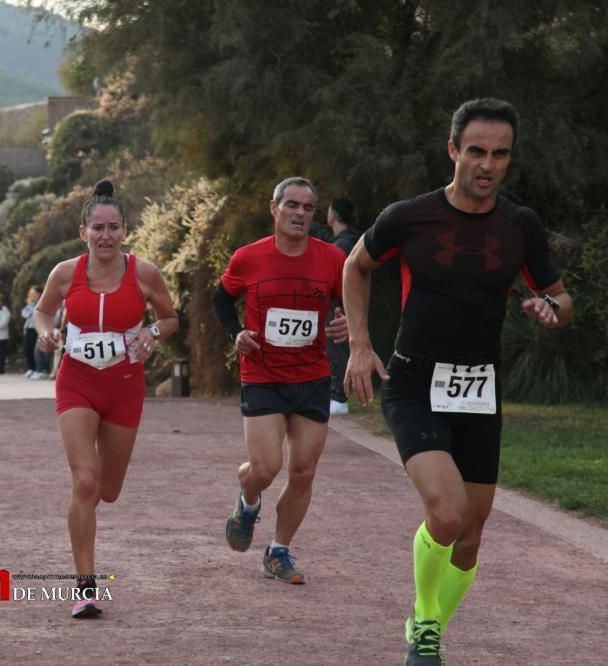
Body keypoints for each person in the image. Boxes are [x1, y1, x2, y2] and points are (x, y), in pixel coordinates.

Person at [342, 98, 573, 666]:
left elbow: (561, 296)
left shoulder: (521, 226)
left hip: (480, 387)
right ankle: (424, 622)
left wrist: (553, 310)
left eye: (500, 154)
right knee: (446, 516)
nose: (487, 164)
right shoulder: (410, 216)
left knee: (470, 536)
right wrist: (360, 344)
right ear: (453, 151)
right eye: (476, 151)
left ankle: (430, 630)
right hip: (416, 381)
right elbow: (355, 266)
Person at [34, 179, 178, 618]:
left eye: (113, 228)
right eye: (97, 228)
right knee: (85, 482)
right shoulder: (64, 273)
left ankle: (88, 523)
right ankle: (85, 586)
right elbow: (42, 311)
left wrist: (150, 332)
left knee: (109, 491)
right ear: (84, 232)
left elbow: (170, 318)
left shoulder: (144, 273)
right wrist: (45, 332)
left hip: (125, 387)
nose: (105, 236)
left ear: (125, 230)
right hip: (76, 381)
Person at [213, 176, 349, 585]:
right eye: (292, 206)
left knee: (304, 470)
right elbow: (221, 298)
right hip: (263, 375)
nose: (299, 214)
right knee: (267, 466)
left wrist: (345, 322)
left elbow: (349, 299)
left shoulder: (331, 259)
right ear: (274, 209)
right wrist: (234, 333)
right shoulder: (248, 258)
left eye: (308, 208)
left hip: (311, 377)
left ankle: (278, 551)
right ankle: (248, 500)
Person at [326, 198, 360, 415]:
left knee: (337, 347)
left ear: (334, 214)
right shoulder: (349, 240)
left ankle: (339, 398)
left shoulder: (342, 245)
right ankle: (337, 396)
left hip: (339, 303)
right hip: (346, 301)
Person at [21, 286, 42, 378]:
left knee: (35, 350)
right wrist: (31, 312)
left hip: (36, 328)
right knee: (27, 349)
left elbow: (36, 314)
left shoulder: (41, 302)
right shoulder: (30, 303)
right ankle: (31, 368)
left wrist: (31, 312)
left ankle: (38, 369)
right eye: (30, 293)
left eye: (33, 293)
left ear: (38, 293)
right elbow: (24, 313)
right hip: (28, 328)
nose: (31, 295)